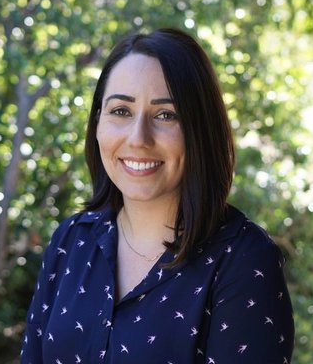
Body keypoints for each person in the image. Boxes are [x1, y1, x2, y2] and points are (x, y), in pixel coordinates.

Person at [21, 28, 294, 363]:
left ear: (200, 129)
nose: (138, 138)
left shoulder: (243, 260)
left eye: (166, 115)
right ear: (97, 124)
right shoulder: (70, 241)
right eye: (121, 111)